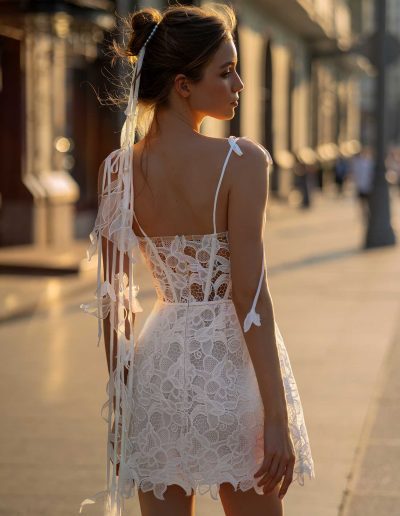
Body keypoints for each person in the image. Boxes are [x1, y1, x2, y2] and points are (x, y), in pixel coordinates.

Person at [80, 4, 315, 516]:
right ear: (183, 85)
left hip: (158, 374)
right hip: (230, 373)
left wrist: (123, 405)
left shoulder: (118, 167)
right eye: (226, 71)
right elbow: (251, 297)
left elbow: (113, 301)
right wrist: (276, 417)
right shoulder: (241, 161)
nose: (240, 83)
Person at [350, 147, 375, 227]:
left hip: (365, 186)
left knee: (365, 202)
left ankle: (365, 213)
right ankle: (365, 213)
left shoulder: (366, 162)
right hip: (363, 186)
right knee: (363, 202)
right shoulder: (361, 163)